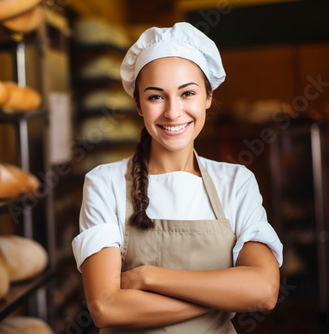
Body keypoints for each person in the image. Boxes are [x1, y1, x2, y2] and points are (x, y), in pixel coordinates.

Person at [71, 22, 283, 333]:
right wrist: (225, 296)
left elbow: (264, 291)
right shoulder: (104, 183)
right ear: (139, 105)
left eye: (187, 93)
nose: (173, 112)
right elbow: (106, 307)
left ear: (208, 97)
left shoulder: (237, 182)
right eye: (156, 97)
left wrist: (148, 277)